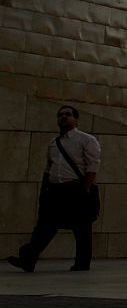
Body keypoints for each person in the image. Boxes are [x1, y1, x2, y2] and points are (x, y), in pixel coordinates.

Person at [8, 105, 101, 273]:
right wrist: (45, 189)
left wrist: (85, 189)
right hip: (55, 190)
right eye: (60, 115)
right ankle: (28, 259)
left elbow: (92, 166)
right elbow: (48, 167)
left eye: (68, 114)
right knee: (44, 226)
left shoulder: (86, 140)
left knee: (81, 228)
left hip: (75, 188)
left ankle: (82, 263)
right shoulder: (54, 143)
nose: (63, 117)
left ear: (76, 119)